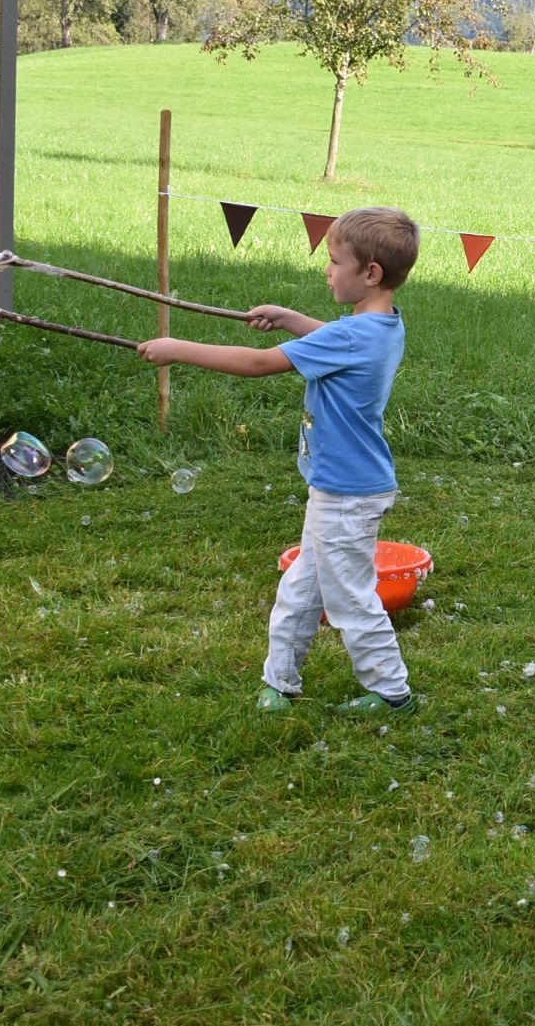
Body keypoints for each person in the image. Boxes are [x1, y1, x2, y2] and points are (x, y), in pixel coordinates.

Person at [137, 206, 421, 717]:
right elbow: (334, 336)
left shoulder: (351, 336)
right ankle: (280, 682)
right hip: (340, 488)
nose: (327, 271)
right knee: (300, 592)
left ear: (370, 273)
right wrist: (289, 319)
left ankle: (391, 691)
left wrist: (178, 348)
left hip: (347, 493)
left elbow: (259, 363)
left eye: (336, 262)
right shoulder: (381, 326)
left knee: (350, 599)